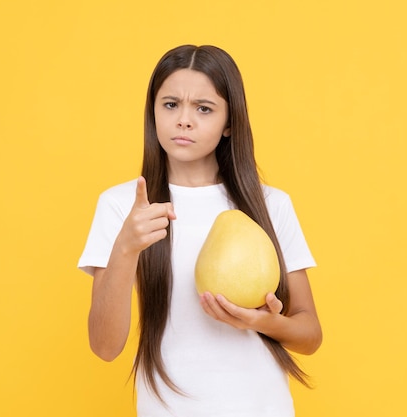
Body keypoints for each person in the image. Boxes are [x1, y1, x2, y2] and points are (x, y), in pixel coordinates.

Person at [78, 44, 322, 417]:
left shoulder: (270, 205)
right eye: (171, 104)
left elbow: (310, 336)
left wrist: (260, 321)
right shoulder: (122, 205)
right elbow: (105, 346)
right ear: (153, 112)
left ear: (229, 123)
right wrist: (125, 248)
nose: (184, 120)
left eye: (203, 108)